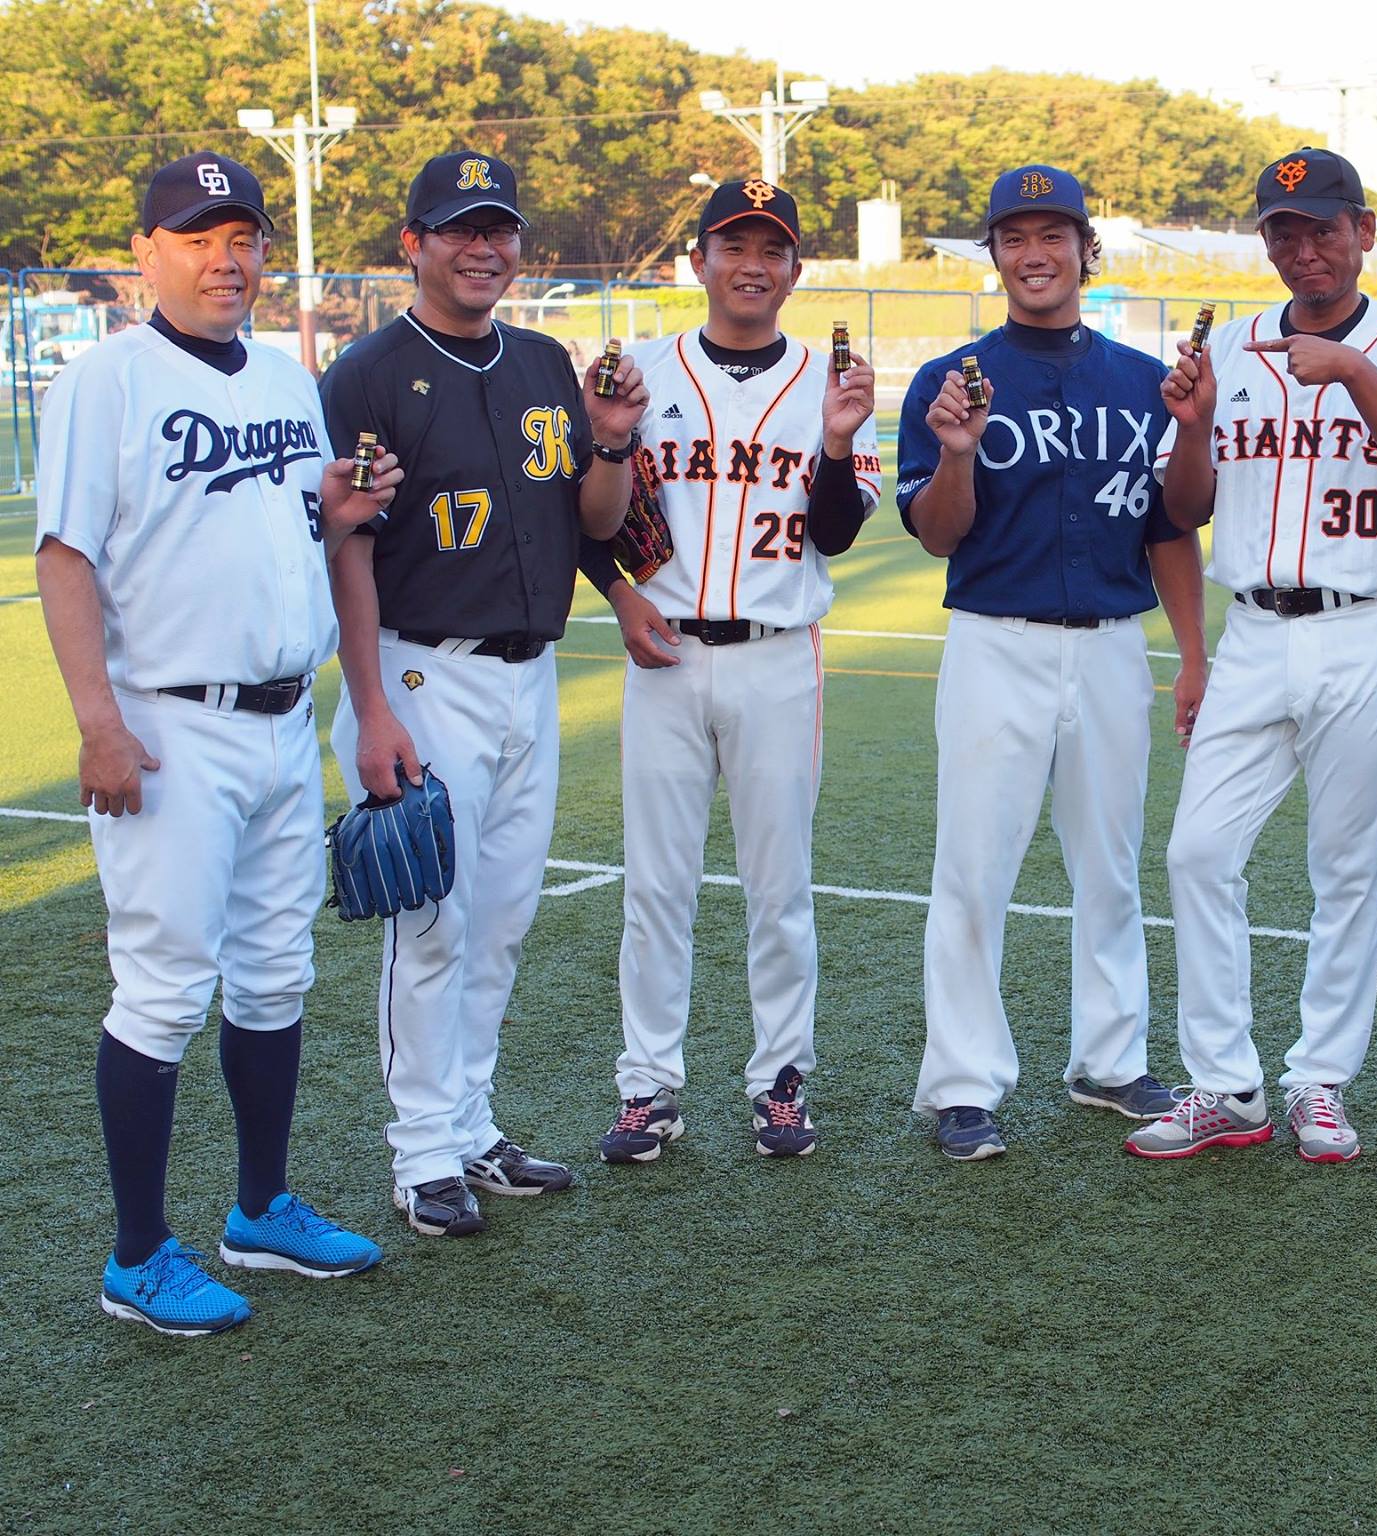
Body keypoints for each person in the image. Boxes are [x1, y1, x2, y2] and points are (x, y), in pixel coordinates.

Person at [37, 152, 391, 1334]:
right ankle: (137, 1257)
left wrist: (336, 511)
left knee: (278, 970)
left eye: (241, 235)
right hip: (169, 729)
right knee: (162, 990)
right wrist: (99, 723)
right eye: (197, 235)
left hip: (285, 719)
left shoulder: (291, 380)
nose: (227, 257)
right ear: (146, 252)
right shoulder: (108, 380)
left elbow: (298, 525)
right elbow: (66, 556)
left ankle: (261, 1209)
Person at [320, 151, 647, 1236]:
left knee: (501, 921)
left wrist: (610, 440)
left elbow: (595, 521)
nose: (482, 248)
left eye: (497, 228)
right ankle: (420, 1156)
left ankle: (468, 1124)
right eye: (458, 228)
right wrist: (371, 707)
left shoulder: (547, 361)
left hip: (530, 674)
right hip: (424, 673)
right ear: (413, 243)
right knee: (434, 925)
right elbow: (346, 549)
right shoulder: (366, 374)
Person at [1125, 147, 1377, 1163]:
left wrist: (1355, 372)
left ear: (1364, 233)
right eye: (1283, 229)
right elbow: (1180, 508)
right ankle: (1224, 1086)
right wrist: (1187, 428)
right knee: (1195, 851)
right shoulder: (1226, 347)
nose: (1303, 246)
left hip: (1375, 621)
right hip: (1256, 628)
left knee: (1344, 865)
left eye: (1322, 226)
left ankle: (1319, 1080)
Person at [899, 164, 1208, 1161]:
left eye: (1053, 235)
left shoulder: (1137, 381)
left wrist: (1193, 655)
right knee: (973, 868)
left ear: (1086, 250)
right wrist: (955, 451)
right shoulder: (948, 380)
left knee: (1110, 867)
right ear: (992, 254)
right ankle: (961, 1083)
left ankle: (1110, 1060)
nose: (1034, 254)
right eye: (1014, 237)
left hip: (1116, 647)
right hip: (996, 642)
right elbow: (937, 537)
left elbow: (1170, 529)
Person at [579, 181, 880, 1164]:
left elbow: (835, 529)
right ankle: (645, 1087)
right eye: (732, 244)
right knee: (654, 886)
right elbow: (598, 519)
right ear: (698, 261)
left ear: (795, 270)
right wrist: (611, 440)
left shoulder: (830, 383)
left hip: (776, 656)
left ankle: (780, 1079)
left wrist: (835, 440)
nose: (752, 262)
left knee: (777, 886)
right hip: (662, 653)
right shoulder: (645, 370)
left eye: (772, 248)